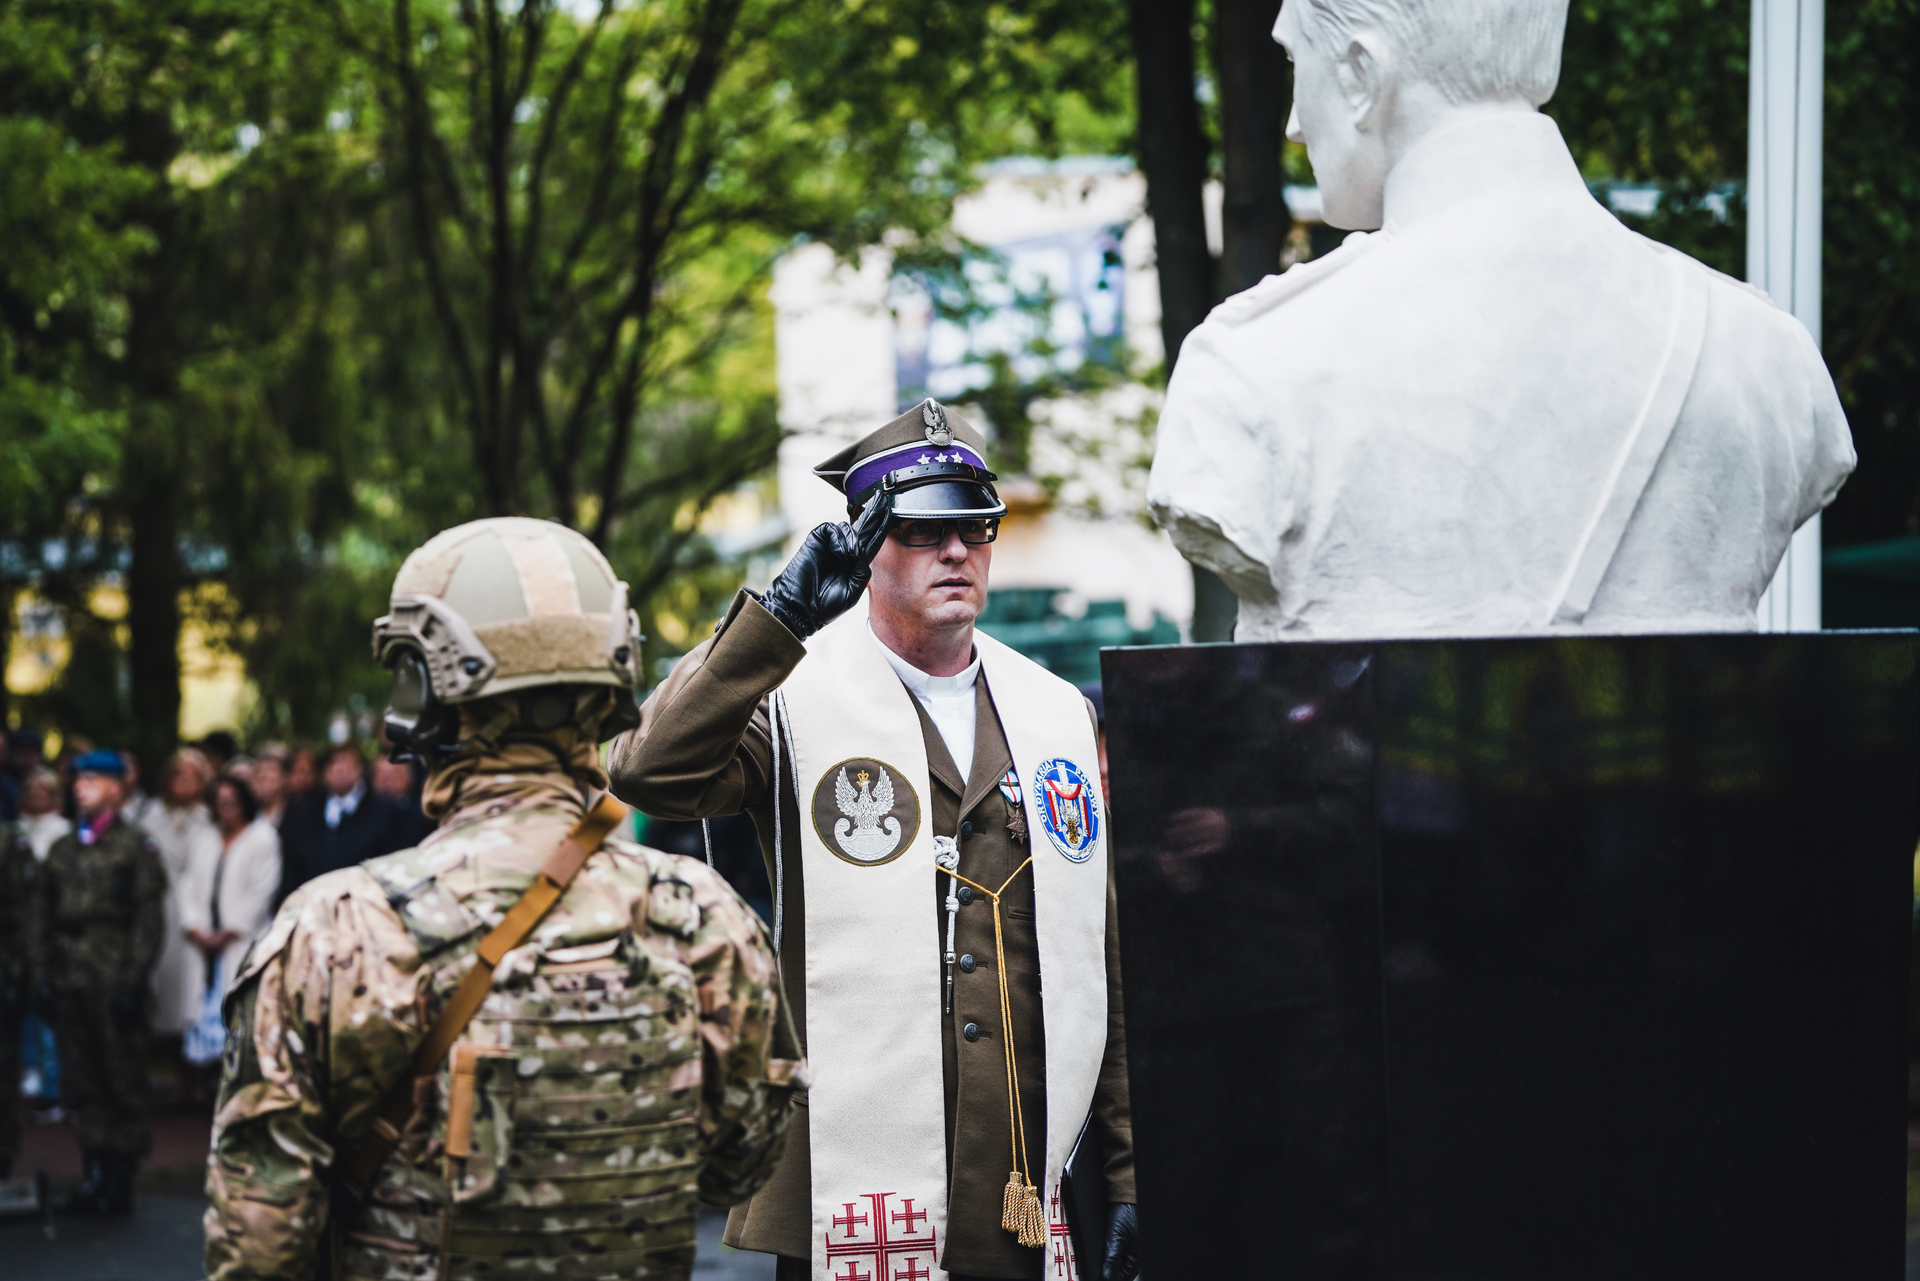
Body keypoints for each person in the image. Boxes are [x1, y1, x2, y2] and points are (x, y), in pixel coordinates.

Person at [610, 400, 1139, 1281]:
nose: (958, 551)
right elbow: (648, 771)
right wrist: (773, 618)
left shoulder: (1056, 713)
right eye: (925, 529)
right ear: (865, 546)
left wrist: (1124, 1172)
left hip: (1022, 1190)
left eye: (976, 526)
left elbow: (1099, 958)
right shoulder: (791, 698)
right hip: (846, 1199)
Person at [205, 516, 803, 1281]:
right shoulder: (705, 918)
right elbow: (736, 1170)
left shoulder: (334, 930)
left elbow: (259, 1243)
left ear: (424, 688)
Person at [1147, 0, 1854, 641]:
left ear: (1363, 74)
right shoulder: (1769, 357)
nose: (1296, 123)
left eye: (1297, 62)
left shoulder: (1255, 368)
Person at [28, 750, 167, 1215]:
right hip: (70, 976)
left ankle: (120, 1177)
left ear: (114, 788)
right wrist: (43, 977)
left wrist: (133, 980)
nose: (80, 788)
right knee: (81, 1078)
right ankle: (94, 1172)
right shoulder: (63, 849)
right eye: (78, 780)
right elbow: (41, 917)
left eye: (91, 781)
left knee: (120, 1077)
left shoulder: (135, 846)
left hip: (113, 975)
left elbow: (148, 920)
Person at [176, 775, 281, 1098]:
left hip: (239, 940)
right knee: (196, 1012)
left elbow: (263, 889)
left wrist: (230, 929)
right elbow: (186, 884)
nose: (225, 810)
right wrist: (195, 925)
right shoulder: (203, 837)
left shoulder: (262, 837)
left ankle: (235, 1092)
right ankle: (194, 1091)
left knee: (238, 1013)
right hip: (201, 940)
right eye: (219, 803)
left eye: (232, 803)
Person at [142, 749, 219, 1042]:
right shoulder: (150, 815)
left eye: (193, 776)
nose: (185, 782)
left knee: (192, 982)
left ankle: (190, 1045)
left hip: (196, 909)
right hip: (160, 904)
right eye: (178, 774)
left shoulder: (211, 818)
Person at [274, 743, 416, 902]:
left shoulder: (385, 812)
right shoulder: (304, 812)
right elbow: (293, 868)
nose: (340, 769)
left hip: (364, 905)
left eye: (347, 762)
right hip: (311, 904)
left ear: (360, 769)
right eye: (334, 762)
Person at [248, 745, 292, 829]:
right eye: (259, 770)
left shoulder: (297, 813)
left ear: (285, 777)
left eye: (271, 769)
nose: (264, 775)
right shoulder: (247, 813)